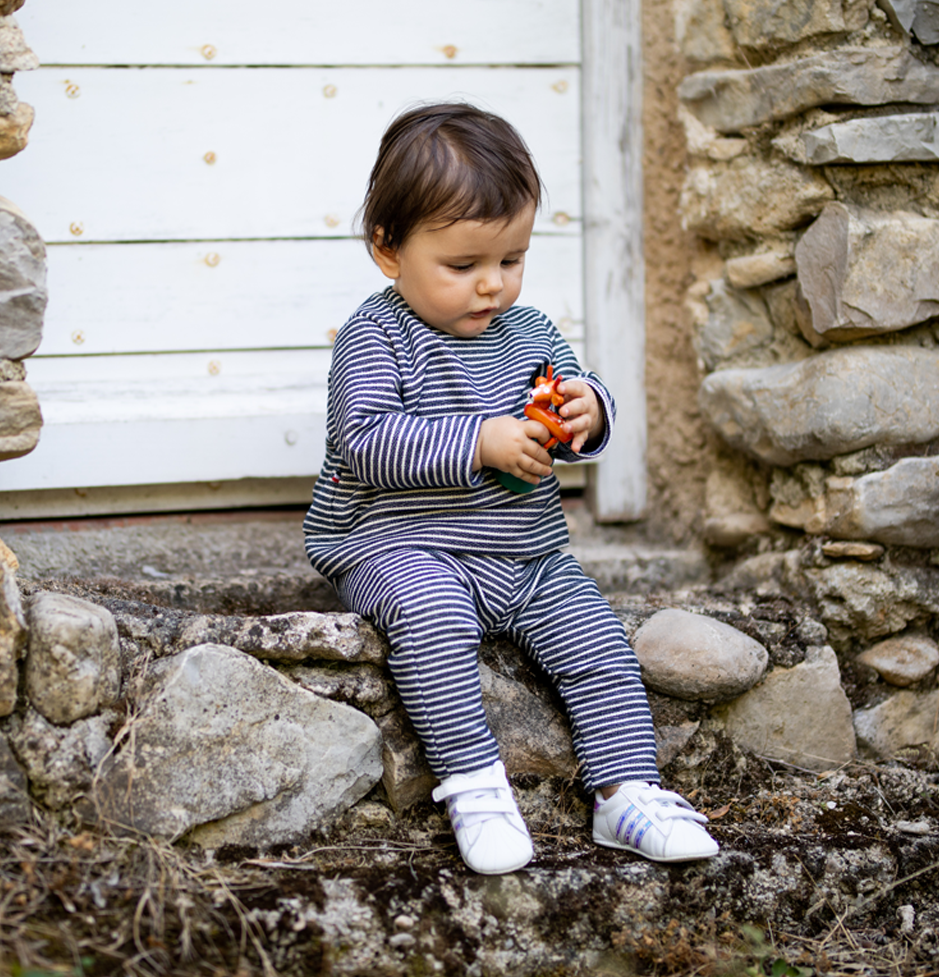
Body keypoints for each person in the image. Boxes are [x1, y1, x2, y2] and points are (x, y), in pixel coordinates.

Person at [303, 102, 718, 875]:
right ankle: (474, 784)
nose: (492, 285)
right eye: (463, 266)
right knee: (431, 617)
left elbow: (574, 402)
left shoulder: (529, 332)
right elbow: (365, 442)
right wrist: (480, 439)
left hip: (526, 554)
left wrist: (587, 414)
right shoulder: (376, 336)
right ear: (388, 250)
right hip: (400, 546)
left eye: (512, 258)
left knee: (597, 642)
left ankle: (626, 793)